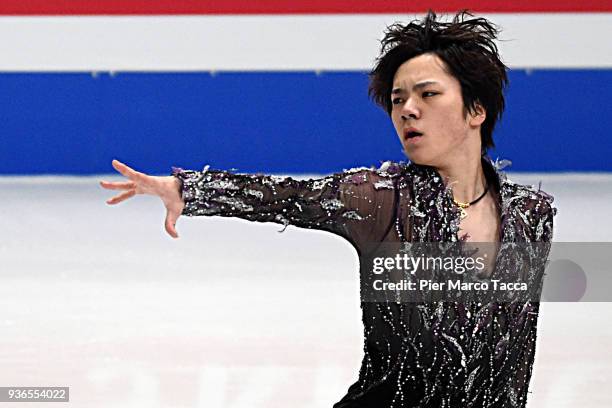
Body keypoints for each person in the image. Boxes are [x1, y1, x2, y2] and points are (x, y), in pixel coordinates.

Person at [100, 10, 556, 407]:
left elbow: (516, 357)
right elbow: (289, 196)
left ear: (476, 109)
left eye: (427, 94)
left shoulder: (532, 215)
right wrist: (189, 189)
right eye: (397, 100)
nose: (407, 111)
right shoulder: (378, 198)